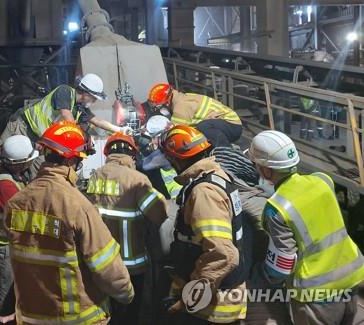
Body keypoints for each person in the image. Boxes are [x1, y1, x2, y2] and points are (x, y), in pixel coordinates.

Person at [5, 121, 134, 325]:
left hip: (31, 318)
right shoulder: (78, 206)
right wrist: (126, 293)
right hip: (77, 319)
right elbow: (106, 266)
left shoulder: (16, 203)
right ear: (72, 159)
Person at [248, 130, 364, 324]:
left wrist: (260, 275)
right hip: (351, 275)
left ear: (267, 171)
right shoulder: (322, 180)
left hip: (316, 291)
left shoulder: (276, 208)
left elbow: (282, 265)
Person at [159, 124, 248, 324]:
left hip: (209, 308)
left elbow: (223, 254)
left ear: (175, 159)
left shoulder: (204, 193)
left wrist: (191, 297)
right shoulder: (218, 176)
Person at [86, 132, 167, 324]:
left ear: (108, 154)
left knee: (107, 310)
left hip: (101, 261)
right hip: (132, 264)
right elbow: (159, 214)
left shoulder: (96, 175)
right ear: (132, 155)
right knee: (131, 313)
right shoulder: (137, 179)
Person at [0, 74, 132, 173]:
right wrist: (83, 138)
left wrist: (119, 129)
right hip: (22, 127)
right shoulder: (65, 92)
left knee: (41, 171)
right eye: (94, 98)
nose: (93, 102)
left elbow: (97, 121)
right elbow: (66, 115)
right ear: (86, 94)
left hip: (39, 141)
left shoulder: (79, 108)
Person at [0, 135, 39, 324]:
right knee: (6, 293)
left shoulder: (16, 175)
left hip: (9, 244)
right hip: (3, 247)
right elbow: (22, 213)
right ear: (17, 164)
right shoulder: (4, 184)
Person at [147, 83, 242, 147]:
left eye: (159, 106)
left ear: (166, 102)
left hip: (232, 125)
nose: (159, 109)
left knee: (203, 127)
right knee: (200, 129)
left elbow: (174, 131)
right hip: (229, 124)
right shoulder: (181, 98)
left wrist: (157, 140)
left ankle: (225, 152)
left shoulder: (181, 107)